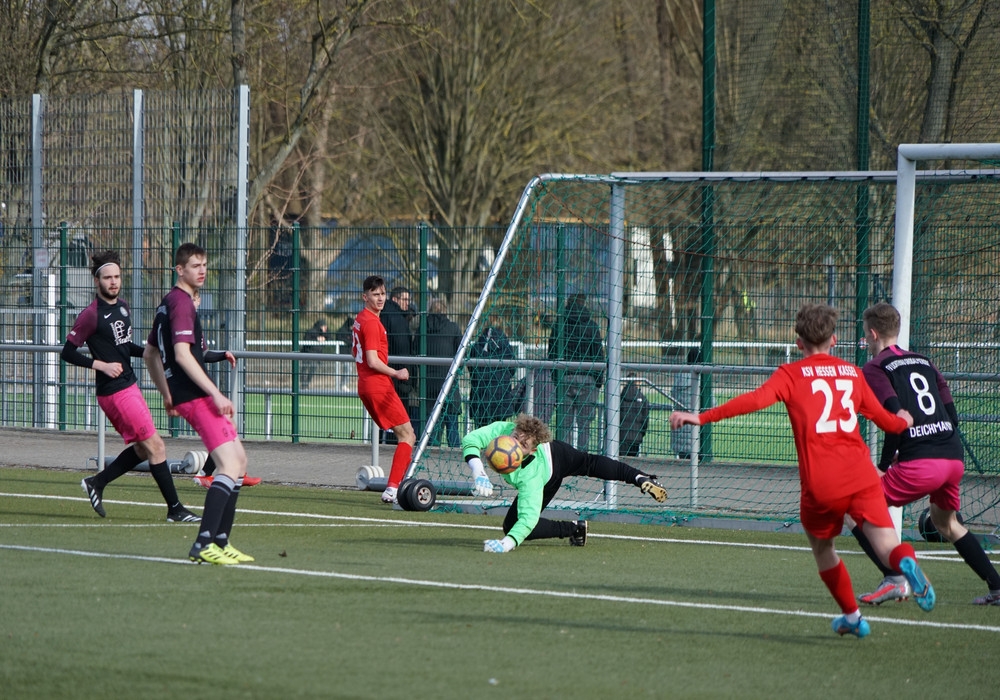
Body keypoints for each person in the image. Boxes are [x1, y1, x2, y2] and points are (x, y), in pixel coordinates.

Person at [669, 303, 935, 638]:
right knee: (887, 545)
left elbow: (752, 401)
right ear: (834, 340)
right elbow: (888, 423)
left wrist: (701, 417)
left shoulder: (790, 375)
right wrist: (903, 420)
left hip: (822, 484)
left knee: (824, 550)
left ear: (799, 344)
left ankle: (852, 617)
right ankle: (907, 564)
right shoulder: (853, 373)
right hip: (862, 476)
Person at [850, 302, 1000, 606]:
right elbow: (952, 416)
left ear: (874, 334)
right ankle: (997, 586)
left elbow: (897, 419)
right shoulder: (924, 360)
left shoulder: (876, 368)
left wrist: (883, 465)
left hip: (923, 463)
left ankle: (894, 578)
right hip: (952, 456)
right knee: (946, 523)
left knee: (851, 506)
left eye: (866, 334)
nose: (866, 341)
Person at [62, 250, 200, 523]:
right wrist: (101, 365)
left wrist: (154, 351)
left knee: (142, 449)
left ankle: (97, 483)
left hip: (129, 386)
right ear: (97, 281)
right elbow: (67, 352)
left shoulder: (123, 307)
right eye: (107, 278)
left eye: (116, 276)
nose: (113, 281)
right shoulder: (91, 315)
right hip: (114, 392)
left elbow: (124, 347)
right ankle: (175, 509)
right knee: (156, 446)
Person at [143, 242, 254, 565]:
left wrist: (166, 393)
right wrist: (215, 393)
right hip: (195, 395)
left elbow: (150, 353)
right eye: (195, 265)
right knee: (228, 465)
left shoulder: (169, 303)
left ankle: (220, 542)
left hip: (186, 393)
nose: (202, 271)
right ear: (179, 270)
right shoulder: (181, 303)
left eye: (204, 264)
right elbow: (180, 354)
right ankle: (203, 543)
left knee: (239, 461)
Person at [462, 413, 668, 552]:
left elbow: (528, 518)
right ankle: (639, 478)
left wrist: (506, 544)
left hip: (553, 467)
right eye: (515, 436)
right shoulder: (502, 430)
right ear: (513, 429)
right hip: (551, 453)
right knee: (589, 462)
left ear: (532, 450)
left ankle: (574, 528)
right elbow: (471, 440)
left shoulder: (531, 476)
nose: (514, 445)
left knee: (589, 463)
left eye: (523, 445)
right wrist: (478, 471)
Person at [352, 275, 417, 504]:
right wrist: (396, 373)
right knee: (408, 435)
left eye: (382, 294)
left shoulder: (360, 319)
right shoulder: (371, 322)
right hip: (378, 386)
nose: (380, 298)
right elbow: (372, 360)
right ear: (365, 297)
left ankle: (396, 483)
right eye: (375, 295)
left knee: (405, 434)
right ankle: (393, 488)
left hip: (367, 385)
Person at [548, 294, 605, 450]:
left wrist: (555, 378)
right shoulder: (592, 326)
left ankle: (564, 456)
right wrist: (598, 380)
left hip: (564, 377)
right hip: (588, 378)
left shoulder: (559, 325)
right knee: (584, 425)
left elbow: (552, 352)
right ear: (584, 303)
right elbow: (598, 353)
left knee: (564, 424)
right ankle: (582, 455)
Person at [380, 286, 419, 440]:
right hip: (398, 377)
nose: (408, 303)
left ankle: (381, 441)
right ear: (395, 299)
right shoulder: (397, 319)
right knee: (399, 420)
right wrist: (407, 378)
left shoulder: (383, 314)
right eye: (405, 299)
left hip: (385, 372)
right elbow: (402, 348)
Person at [424, 298, 462, 447]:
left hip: (429, 383)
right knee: (452, 426)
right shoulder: (453, 328)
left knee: (433, 427)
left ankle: (431, 452)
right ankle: (455, 453)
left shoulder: (423, 329)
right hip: (449, 382)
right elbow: (461, 352)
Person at [468, 324, 522, 425]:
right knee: (499, 431)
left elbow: (471, 370)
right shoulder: (506, 349)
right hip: (501, 398)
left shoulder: (476, 348)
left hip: (480, 399)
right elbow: (512, 369)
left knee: (482, 431)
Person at [300, 318, 331, 389]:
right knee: (304, 370)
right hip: (307, 354)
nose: (325, 328)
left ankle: (306, 384)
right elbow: (306, 340)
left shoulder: (325, 333)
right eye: (324, 326)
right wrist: (316, 339)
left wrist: (324, 338)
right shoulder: (311, 331)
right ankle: (303, 384)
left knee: (312, 370)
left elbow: (330, 338)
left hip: (316, 355)